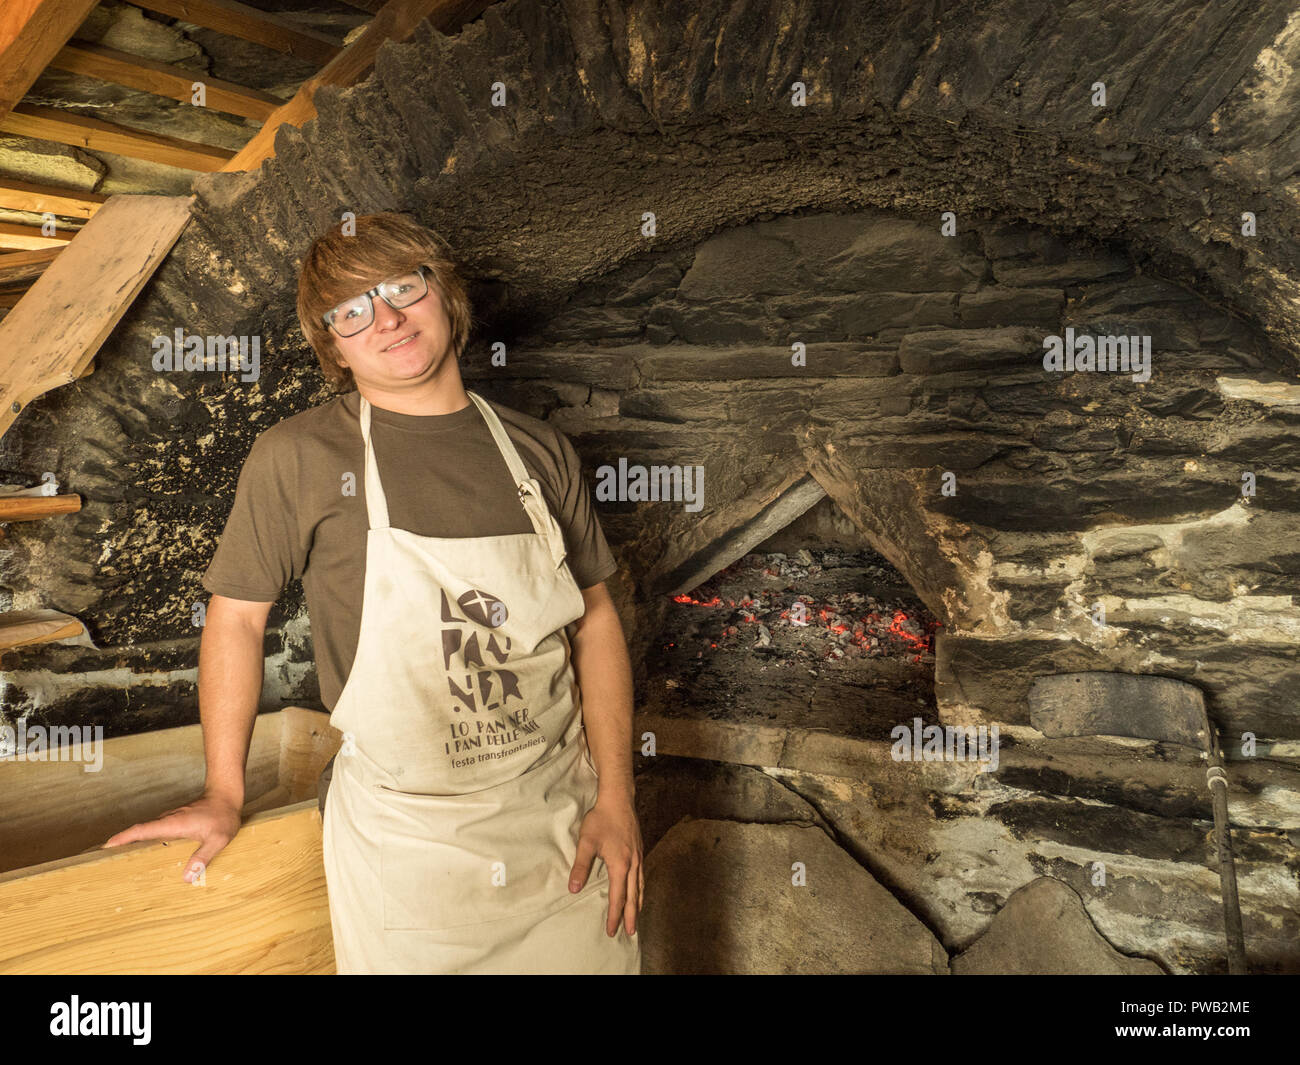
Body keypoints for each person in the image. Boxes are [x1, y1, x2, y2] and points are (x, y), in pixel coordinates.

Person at [104, 211, 643, 975]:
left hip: (562, 826)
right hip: (410, 851)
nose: (386, 318)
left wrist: (616, 799)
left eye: (402, 287)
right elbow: (234, 621)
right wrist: (223, 791)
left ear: (445, 296)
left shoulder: (538, 450)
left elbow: (594, 623)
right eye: (351, 311)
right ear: (332, 344)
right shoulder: (298, 455)